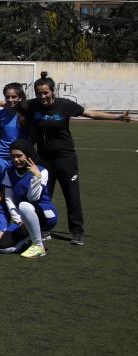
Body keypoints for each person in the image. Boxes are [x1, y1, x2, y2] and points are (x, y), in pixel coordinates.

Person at [22, 72, 129, 246]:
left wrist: (116, 117)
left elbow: (91, 114)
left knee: (72, 195)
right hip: (43, 159)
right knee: (42, 195)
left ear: (52, 91)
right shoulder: (33, 106)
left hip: (65, 158)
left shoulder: (65, 105)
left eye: (45, 92)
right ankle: (44, 227)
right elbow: (12, 104)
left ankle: (77, 232)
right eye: (39, 93)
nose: (42, 96)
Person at [0, 139, 59, 258]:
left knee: (24, 205)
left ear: (28, 154)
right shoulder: (10, 172)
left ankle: (38, 245)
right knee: (4, 247)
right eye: (13, 156)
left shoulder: (42, 171)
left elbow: (33, 198)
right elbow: (9, 198)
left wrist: (36, 177)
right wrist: (18, 220)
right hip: (23, 217)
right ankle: (31, 239)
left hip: (46, 214)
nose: (16, 159)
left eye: (19, 156)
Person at [0, 83, 29, 159]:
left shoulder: (26, 114)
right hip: (3, 155)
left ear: (20, 97)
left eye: (14, 97)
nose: (10, 99)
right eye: (7, 97)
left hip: (20, 156)